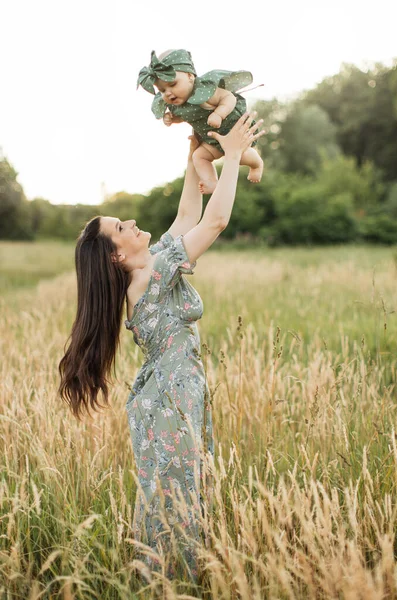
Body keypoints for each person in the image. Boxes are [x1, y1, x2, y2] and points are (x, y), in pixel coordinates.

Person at [58, 111, 265, 583]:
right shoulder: (148, 277)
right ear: (116, 254)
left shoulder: (151, 265)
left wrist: (195, 152)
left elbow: (189, 213)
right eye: (121, 227)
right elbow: (214, 222)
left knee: (176, 496)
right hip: (169, 400)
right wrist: (232, 156)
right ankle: (167, 586)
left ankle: (166, 584)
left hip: (173, 394)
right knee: (174, 501)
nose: (132, 222)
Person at [137, 49, 264, 194]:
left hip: (233, 135)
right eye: (162, 90)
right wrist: (173, 119)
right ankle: (211, 182)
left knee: (242, 157)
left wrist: (219, 113)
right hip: (211, 142)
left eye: (172, 84)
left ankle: (257, 165)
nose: (168, 92)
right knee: (198, 157)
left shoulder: (204, 91)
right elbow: (185, 117)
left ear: (190, 76)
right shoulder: (176, 105)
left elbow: (229, 98)